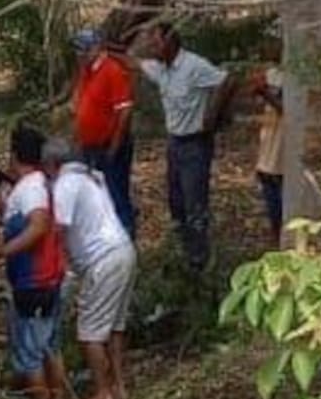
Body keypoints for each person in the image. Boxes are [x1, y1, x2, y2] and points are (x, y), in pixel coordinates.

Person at [0, 125, 68, 399]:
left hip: (35, 282)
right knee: (49, 347)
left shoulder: (32, 190)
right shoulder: (33, 185)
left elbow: (38, 225)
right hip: (47, 279)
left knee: (30, 355)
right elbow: (1, 203)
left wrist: (6, 250)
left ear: (15, 156)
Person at [42, 136, 137, 399]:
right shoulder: (92, 177)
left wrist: (55, 270)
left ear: (51, 164)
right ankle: (119, 386)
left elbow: (58, 230)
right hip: (123, 249)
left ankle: (103, 393)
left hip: (103, 259)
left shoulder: (65, 185)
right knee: (114, 328)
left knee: (90, 333)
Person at [135, 23, 239, 271]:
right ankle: (182, 254)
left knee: (195, 205)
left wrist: (212, 114)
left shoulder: (194, 66)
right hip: (174, 142)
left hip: (195, 144)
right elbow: (132, 62)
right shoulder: (161, 69)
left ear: (170, 43)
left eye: (156, 41)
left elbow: (228, 80)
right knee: (176, 201)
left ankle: (199, 262)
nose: (152, 47)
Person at [71, 27, 137, 240]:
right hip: (89, 145)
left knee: (117, 192)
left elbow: (124, 112)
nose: (79, 55)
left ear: (96, 49)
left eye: (83, 50)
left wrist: (114, 146)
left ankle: (126, 235)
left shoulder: (112, 70)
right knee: (96, 194)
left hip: (109, 145)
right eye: (78, 50)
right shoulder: (86, 71)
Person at [249, 67, 284, 245]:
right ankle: (276, 237)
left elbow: (288, 109)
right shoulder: (271, 73)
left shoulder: (297, 76)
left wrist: (265, 92)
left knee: (281, 191)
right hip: (269, 143)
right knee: (269, 187)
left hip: (284, 146)